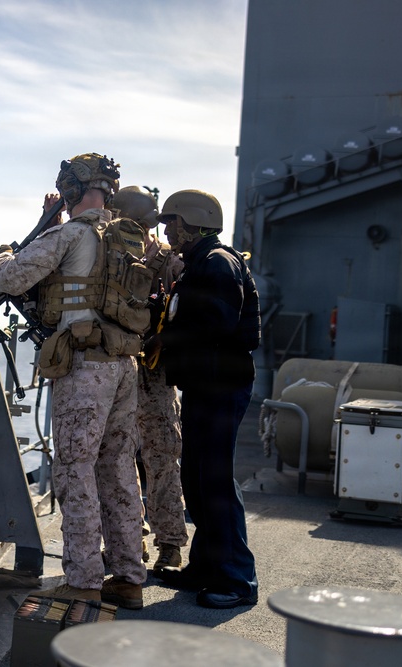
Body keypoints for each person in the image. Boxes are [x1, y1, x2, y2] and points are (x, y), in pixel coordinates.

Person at [0, 154, 147, 609]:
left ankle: (83, 580)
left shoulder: (70, 234)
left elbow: (9, 278)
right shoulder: (127, 238)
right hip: (123, 364)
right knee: (118, 468)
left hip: (86, 369)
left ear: (72, 191)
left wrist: (5, 251)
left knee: (75, 470)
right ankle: (128, 578)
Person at [154, 189, 262, 609]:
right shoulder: (201, 262)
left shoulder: (217, 262)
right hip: (205, 384)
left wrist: (165, 336)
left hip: (222, 384)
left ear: (189, 223)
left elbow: (215, 324)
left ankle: (238, 581)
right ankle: (205, 567)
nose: (167, 231)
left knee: (215, 481)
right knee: (197, 480)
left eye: (171, 223)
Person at [110, 185, 189, 572]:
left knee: (161, 456)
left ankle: (169, 543)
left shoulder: (170, 262)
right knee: (116, 457)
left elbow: (185, 312)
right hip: (116, 364)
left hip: (152, 371)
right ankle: (129, 541)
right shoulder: (107, 256)